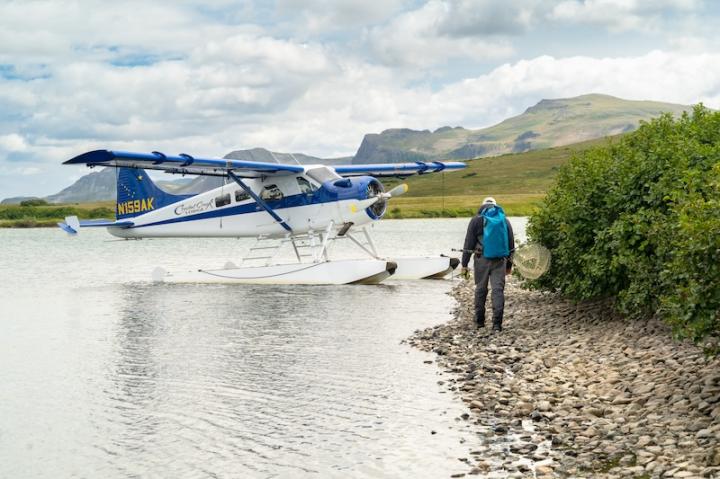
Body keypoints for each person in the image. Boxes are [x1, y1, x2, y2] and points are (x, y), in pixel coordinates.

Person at [460, 197, 515, 331]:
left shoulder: (476, 220)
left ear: (482, 207)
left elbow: (468, 243)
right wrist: (509, 266)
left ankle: (480, 322)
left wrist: (465, 264)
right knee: (497, 290)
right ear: (496, 207)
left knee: (481, 289)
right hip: (500, 260)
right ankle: (497, 324)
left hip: (481, 259)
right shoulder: (504, 220)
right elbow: (511, 245)